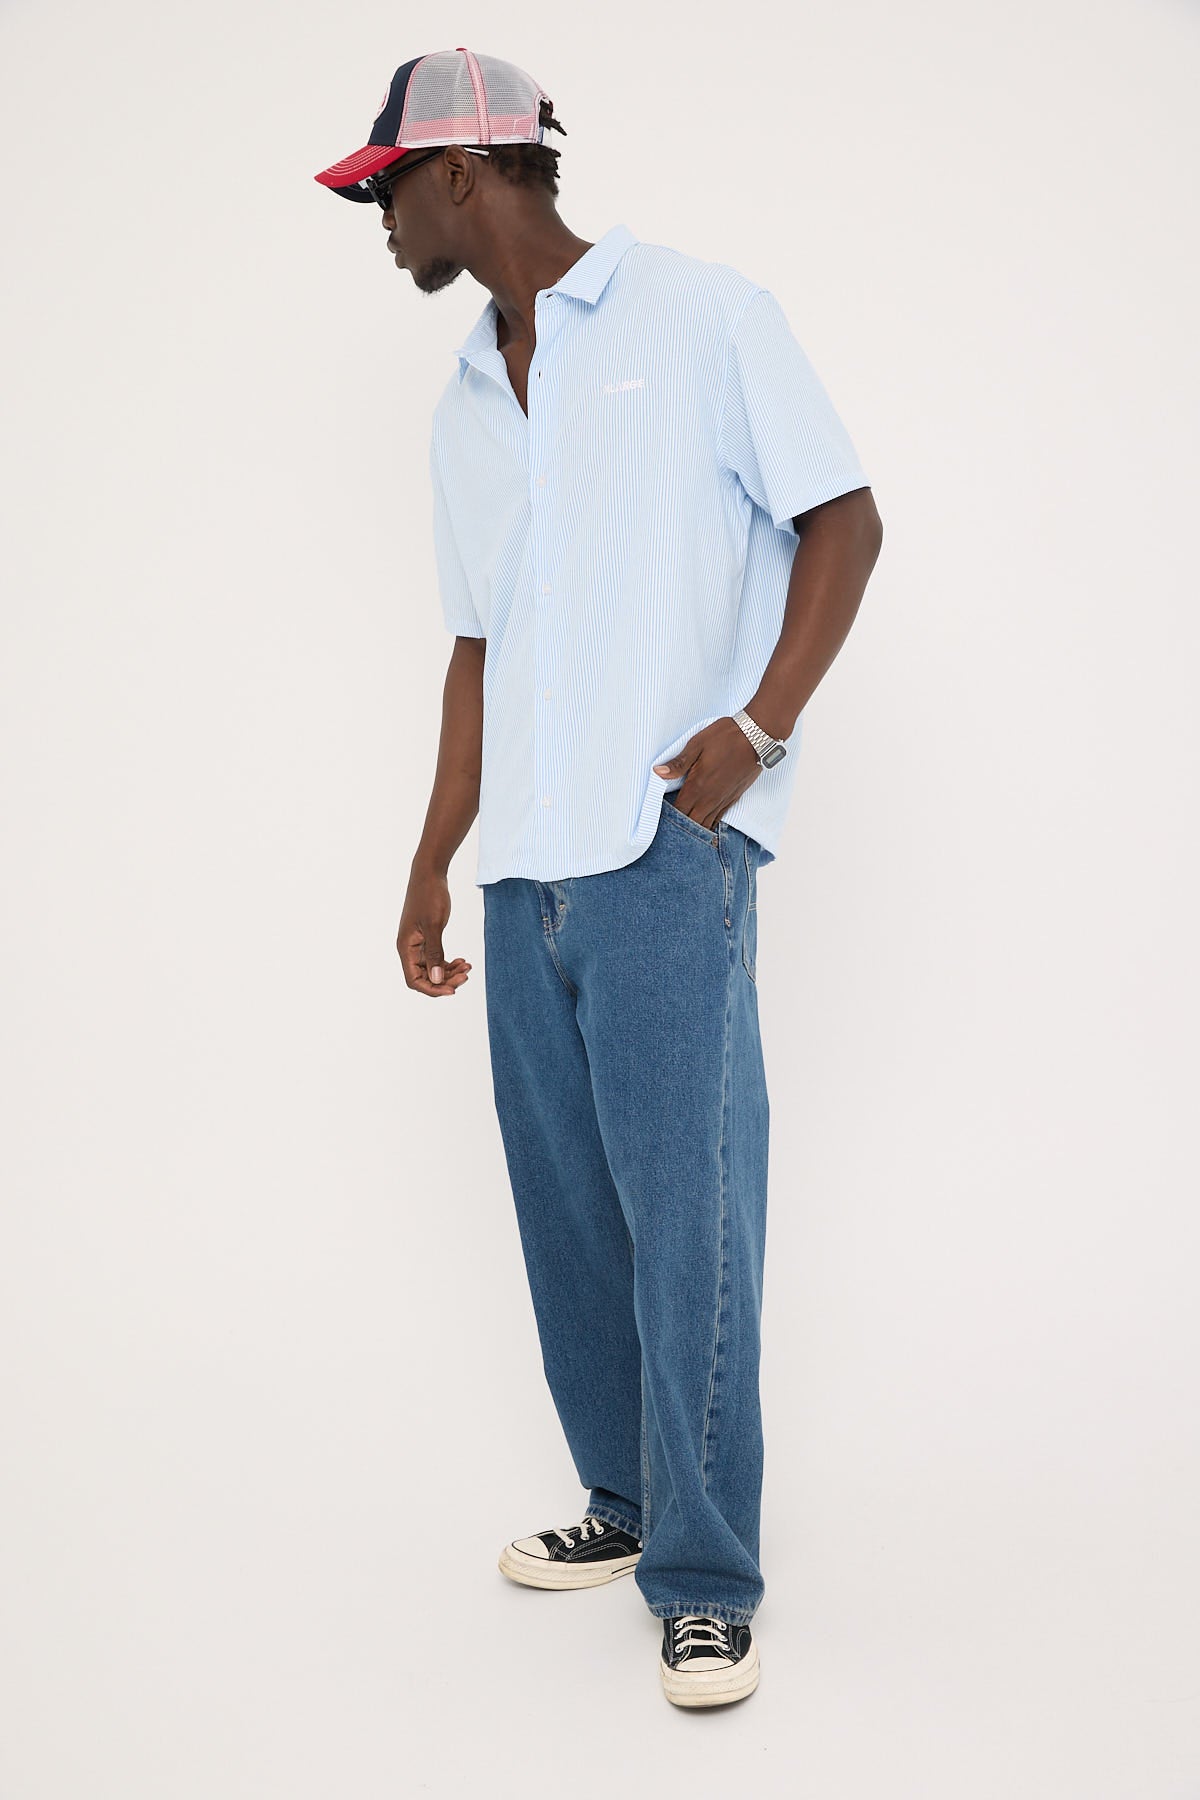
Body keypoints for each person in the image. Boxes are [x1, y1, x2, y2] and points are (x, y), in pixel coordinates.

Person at [315, 46, 883, 1709]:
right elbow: (478, 646)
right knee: (567, 1212)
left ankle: (705, 1580)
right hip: (524, 869)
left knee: (690, 1217)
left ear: (465, 172)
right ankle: (626, 1503)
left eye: (388, 189)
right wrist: (433, 857)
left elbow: (844, 519)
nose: (381, 221)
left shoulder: (701, 319)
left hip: (659, 857)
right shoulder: (464, 400)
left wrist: (756, 733)